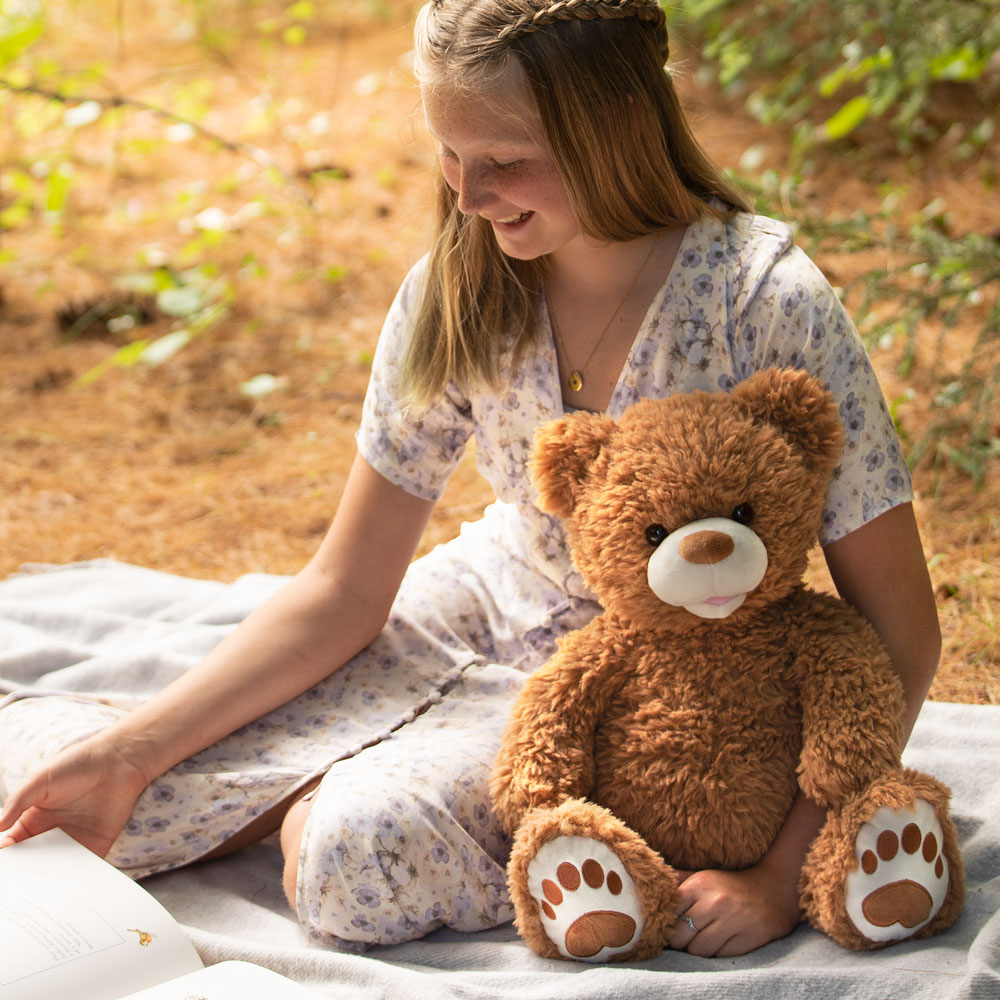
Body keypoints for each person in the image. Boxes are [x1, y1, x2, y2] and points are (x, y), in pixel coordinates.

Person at [0, 0, 940, 960]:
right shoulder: (461, 283)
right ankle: (300, 766)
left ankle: (326, 790)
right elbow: (343, 588)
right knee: (63, 789)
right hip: (468, 616)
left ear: (616, 128)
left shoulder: (765, 302)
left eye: (505, 162)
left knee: (356, 859)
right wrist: (133, 751)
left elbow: (903, 631)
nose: (469, 196)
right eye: (451, 157)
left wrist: (779, 876)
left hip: (670, 698)